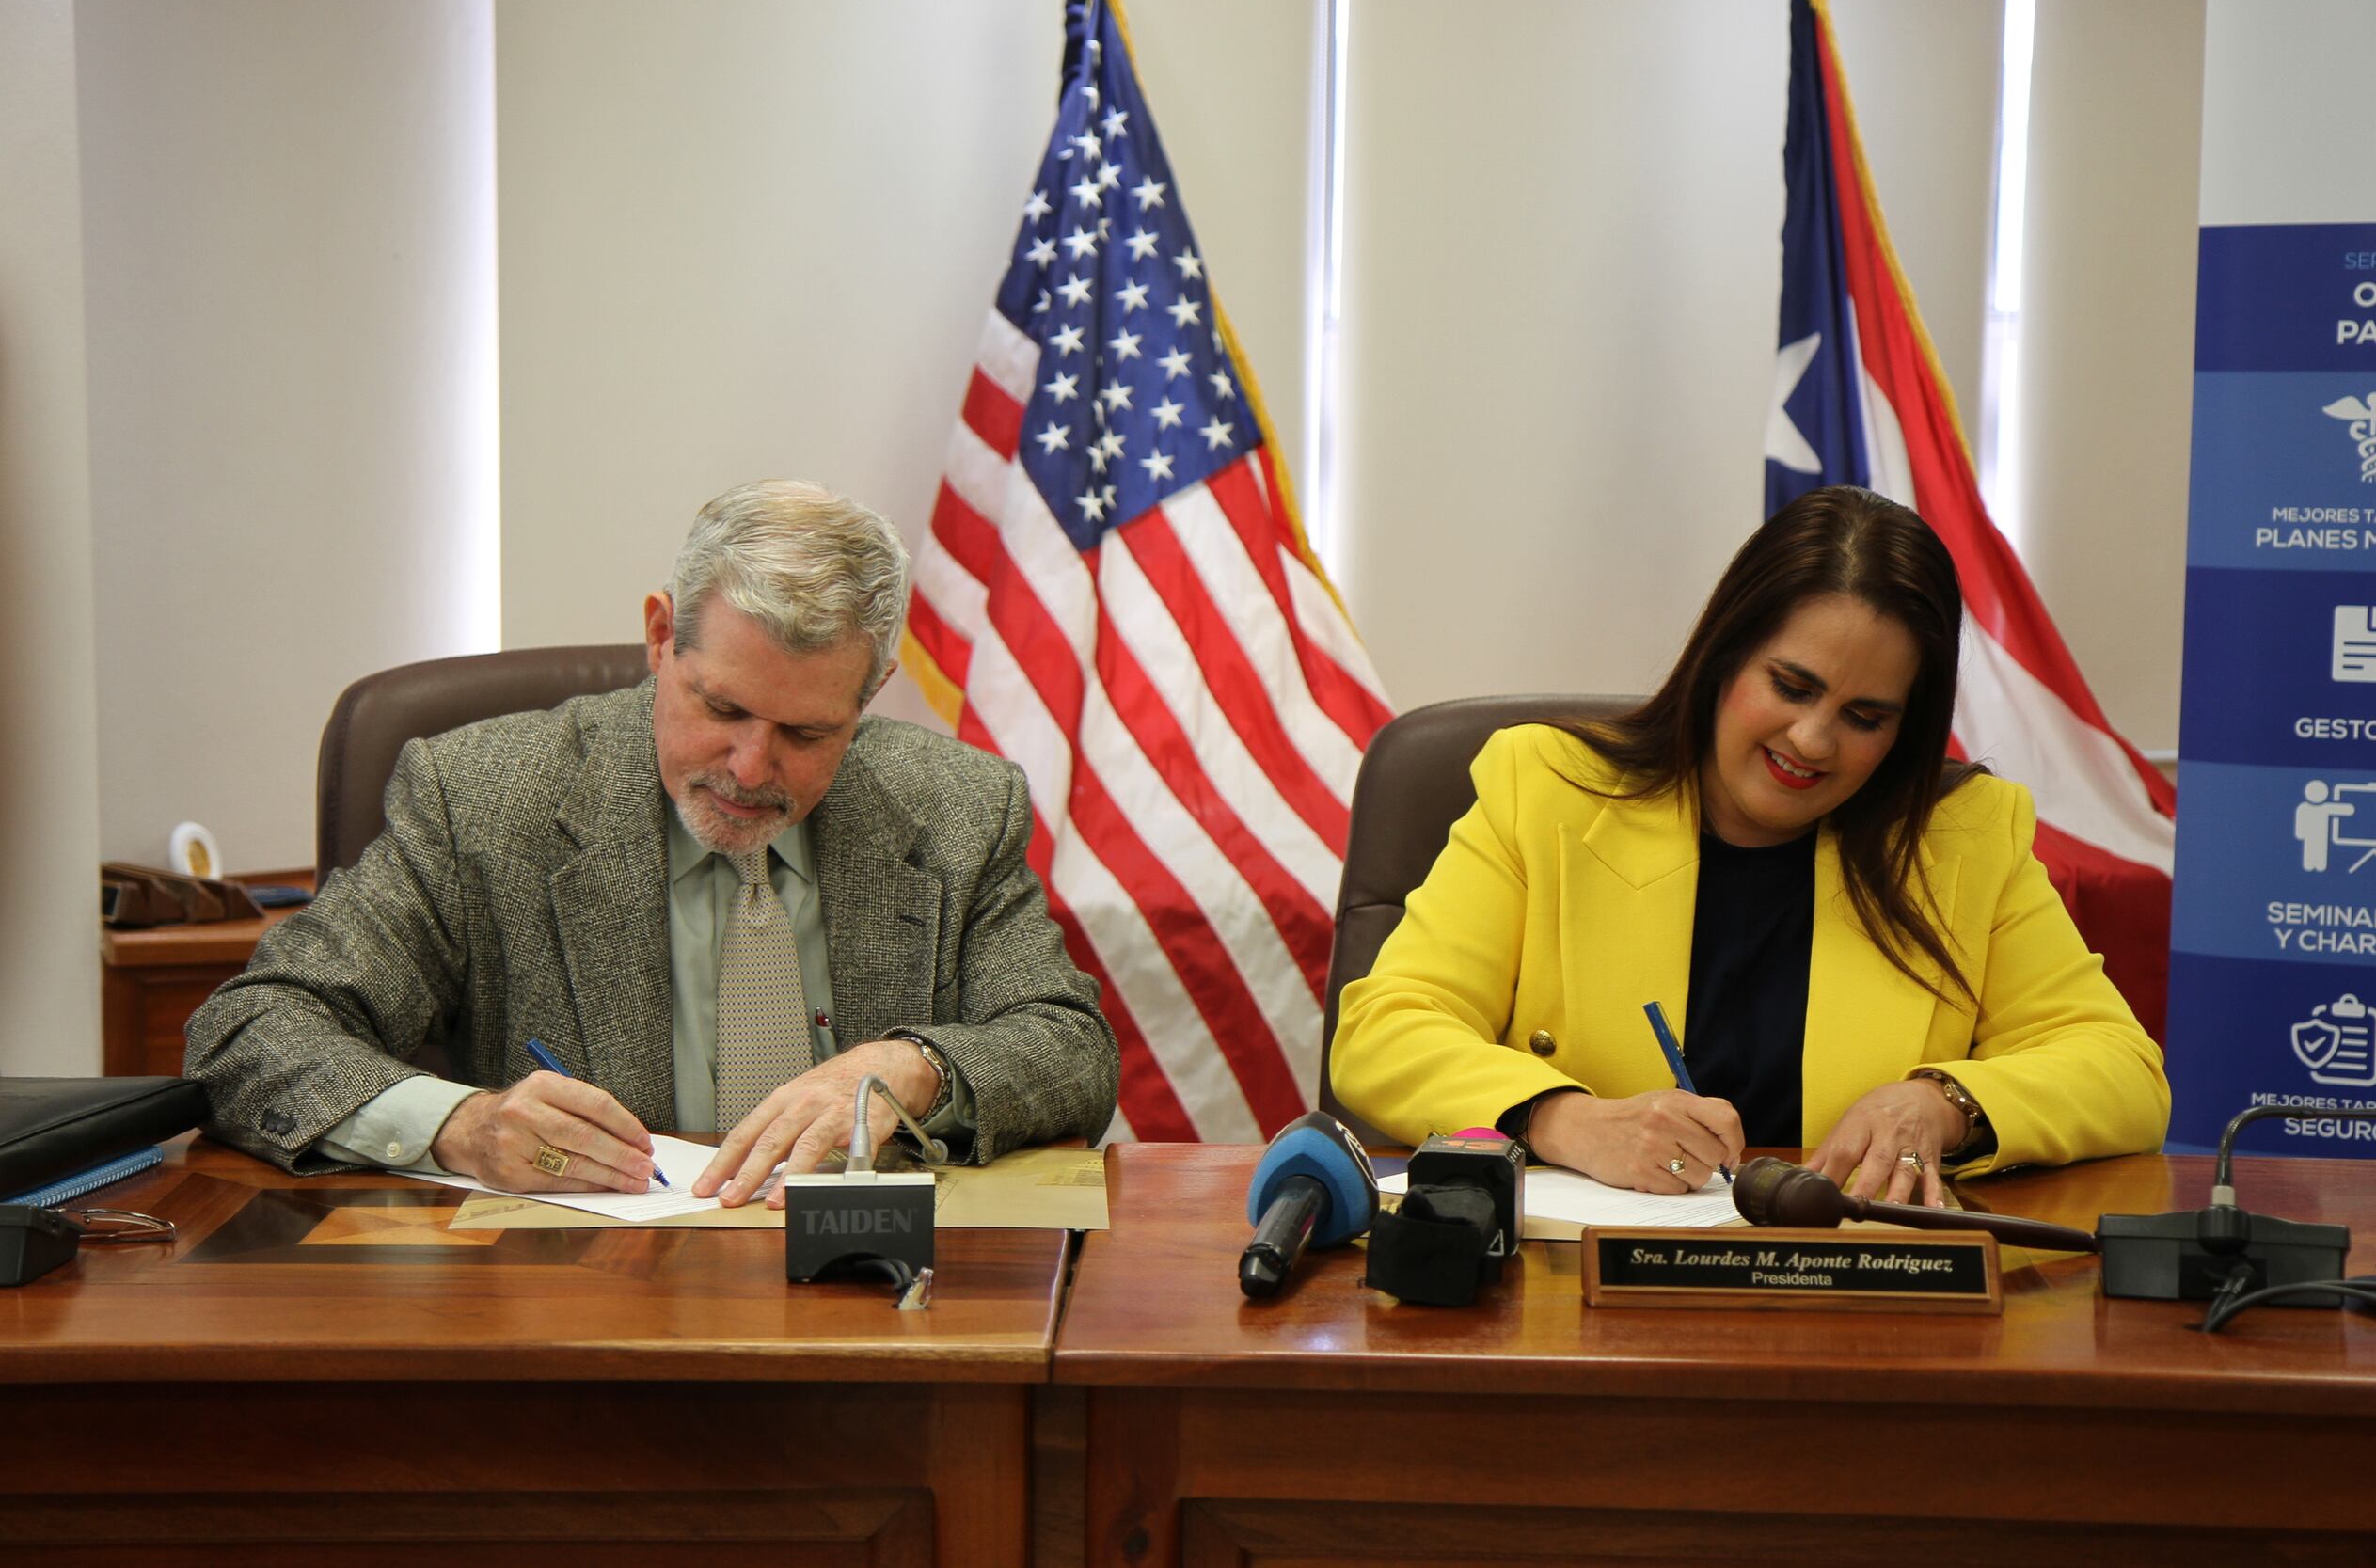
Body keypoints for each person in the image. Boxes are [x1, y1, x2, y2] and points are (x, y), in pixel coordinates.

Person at [186, 480, 1117, 1207]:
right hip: (576, 1321)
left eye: (804, 734)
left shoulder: (956, 808)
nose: (752, 769)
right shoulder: (482, 800)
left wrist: (913, 1069)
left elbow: (1071, 1048)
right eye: (722, 709)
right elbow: (249, 1033)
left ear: (865, 698)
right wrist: (462, 1125)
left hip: (871, 1311)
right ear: (660, 636)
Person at [1329, 486, 2168, 1206]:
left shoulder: (1965, 836)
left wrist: (1941, 1103)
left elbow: (2125, 1073)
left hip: (1851, 1300)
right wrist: (1569, 1119)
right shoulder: (1545, 788)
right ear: (1724, 657)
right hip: (1572, 1292)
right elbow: (1382, 1033)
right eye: (1791, 685)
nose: (1811, 739)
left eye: (1864, 716)